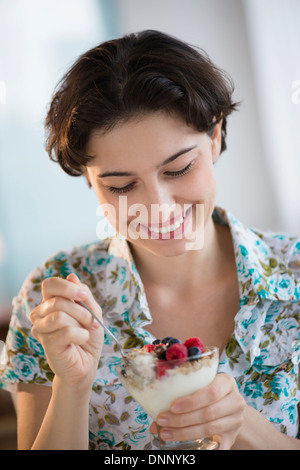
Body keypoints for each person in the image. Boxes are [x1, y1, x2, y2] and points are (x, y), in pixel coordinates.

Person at [0, 30, 300, 450]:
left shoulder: (296, 277)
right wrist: (71, 387)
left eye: (178, 169)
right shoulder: (53, 300)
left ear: (214, 139)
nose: (158, 207)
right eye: (122, 186)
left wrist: (247, 427)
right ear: (90, 181)